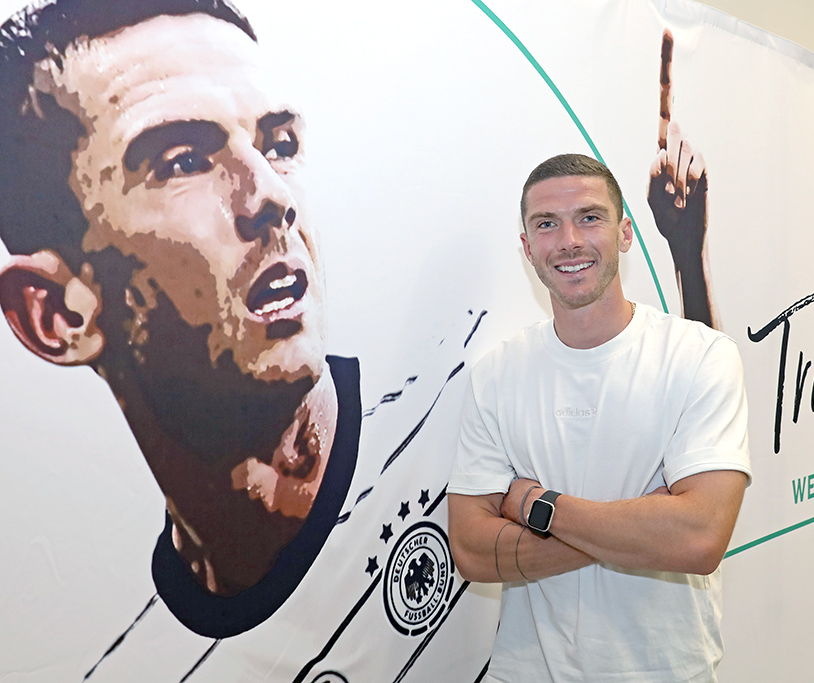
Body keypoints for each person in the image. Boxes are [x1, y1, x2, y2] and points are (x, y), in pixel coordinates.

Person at [0, 4, 498, 680]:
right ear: (57, 314)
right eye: (183, 161)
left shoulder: (475, 402)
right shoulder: (130, 665)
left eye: (280, 144)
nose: (270, 194)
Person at [447, 153, 752, 682]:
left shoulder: (700, 356)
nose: (569, 240)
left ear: (625, 233)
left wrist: (533, 505)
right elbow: (472, 552)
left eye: (589, 217)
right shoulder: (496, 374)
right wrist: (644, 526)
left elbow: (699, 539)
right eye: (547, 224)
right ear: (527, 247)